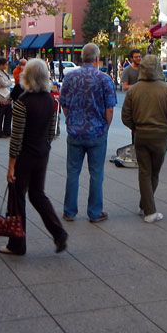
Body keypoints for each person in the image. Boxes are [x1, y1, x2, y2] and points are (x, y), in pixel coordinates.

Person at [0, 59, 67, 256]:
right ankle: (59, 232)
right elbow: (54, 132)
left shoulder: (22, 103)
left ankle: (17, 244)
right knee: (38, 194)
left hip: (25, 156)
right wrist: (43, 143)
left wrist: (11, 165)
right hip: (42, 152)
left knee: (17, 197)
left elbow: (17, 137)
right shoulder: (51, 101)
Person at [60, 43, 117, 223]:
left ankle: (69, 211)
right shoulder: (104, 79)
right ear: (97, 59)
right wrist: (105, 128)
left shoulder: (70, 77)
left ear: (81, 58)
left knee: (72, 173)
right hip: (96, 132)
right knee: (96, 174)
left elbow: (64, 105)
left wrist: (71, 121)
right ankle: (94, 212)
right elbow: (110, 109)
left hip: (75, 133)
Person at [122, 54, 167, 223]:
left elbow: (126, 116)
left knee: (144, 172)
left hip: (141, 134)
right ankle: (148, 209)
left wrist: (135, 127)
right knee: (154, 173)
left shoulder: (134, 90)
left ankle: (146, 205)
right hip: (161, 135)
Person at [0, 57, 13, 138]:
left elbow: (6, 82)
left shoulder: (3, 72)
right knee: (1, 115)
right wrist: (9, 82)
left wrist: (8, 82)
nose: (7, 66)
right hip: (1, 96)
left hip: (7, 94)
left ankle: (7, 131)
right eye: (5, 64)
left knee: (8, 114)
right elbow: (3, 83)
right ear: (1, 65)